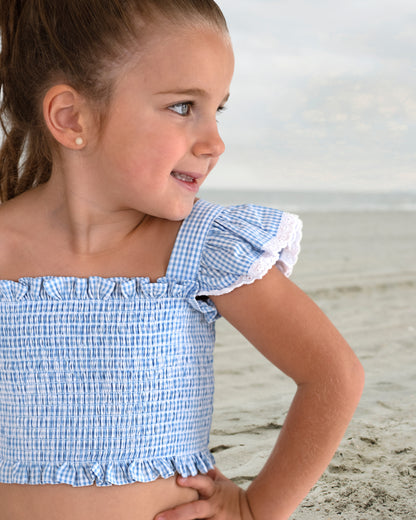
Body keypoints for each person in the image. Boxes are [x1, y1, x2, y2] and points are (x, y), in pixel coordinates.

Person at [0, 1, 364, 519]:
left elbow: (334, 375)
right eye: (182, 107)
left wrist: (256, 509)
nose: (214, 141)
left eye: (219, 109)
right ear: (71, 116)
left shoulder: (201, 246)